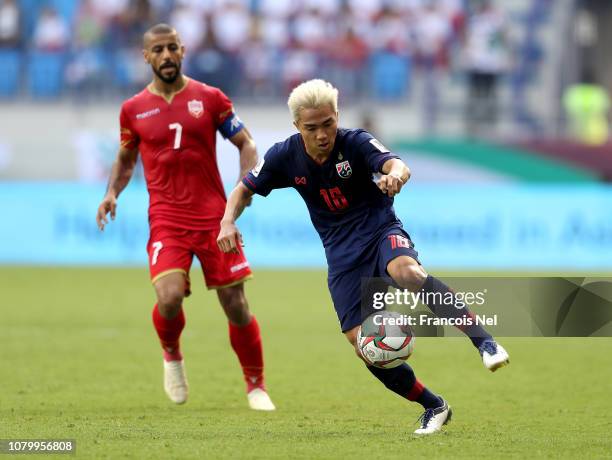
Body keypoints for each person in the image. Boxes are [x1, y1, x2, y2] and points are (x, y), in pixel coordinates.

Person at [217, 79, 509, 434]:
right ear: (298, 127)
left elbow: (397, 165)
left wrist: (394, 178)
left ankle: (485, 343)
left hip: (380, 231)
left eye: (328, 123)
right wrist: (227, 221)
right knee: (365, 347)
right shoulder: (284, 156)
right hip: (342, 258)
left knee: (408, 272)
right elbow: (243, 188)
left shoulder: (354, 142)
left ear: (336, 116)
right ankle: (434, 406)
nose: (323, 134)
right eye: (312, 128)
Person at [96, 23, 275, 411]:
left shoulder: (209, 98)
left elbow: (247, 143)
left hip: (214, 218)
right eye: (157, 50)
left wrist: (244, 188)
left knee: (236, 304)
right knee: (170, 296)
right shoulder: (133, 109)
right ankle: (172, 354)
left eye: (172, 48)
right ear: (146, 56)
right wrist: (111, 193)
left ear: (183, 50)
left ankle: (256, 385)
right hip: (167, 220)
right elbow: (126, 159)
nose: (166, 56)